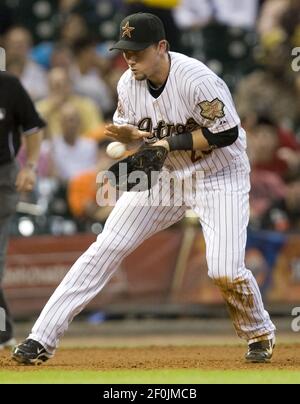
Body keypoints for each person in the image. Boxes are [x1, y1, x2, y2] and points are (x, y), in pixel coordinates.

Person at [12, 13, 276, 365]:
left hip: (218, 175)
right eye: (125, 51)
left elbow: (225, 133)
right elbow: (133, 137)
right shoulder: (127, 84)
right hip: (167, 177)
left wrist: (166, 144)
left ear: (162, 47)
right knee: (105, 246)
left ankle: (259, 332)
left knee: (224, 270)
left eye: (137, 51)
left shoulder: (196, 79)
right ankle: (40, 338)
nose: (130, 58)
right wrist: (130, 138)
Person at [0, 72, 45, 349]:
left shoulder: (9, 86)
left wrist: (30, 166)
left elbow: (32, 127)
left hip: (3, 178)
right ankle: (3, 333)